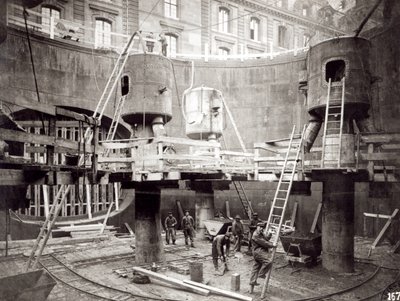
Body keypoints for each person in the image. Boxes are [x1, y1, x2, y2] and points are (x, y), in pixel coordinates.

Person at [249, 222, 275, 288]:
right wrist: (272, 245)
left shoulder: (260, 233)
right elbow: (264, 242)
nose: (261, 229)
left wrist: (270, 233)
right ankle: (261, 274)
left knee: (256, 267)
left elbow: (266, 239)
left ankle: (252, 281)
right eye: (260, 227)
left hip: (259, 251)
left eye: (262, 227)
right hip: (258, 251)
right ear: (257, 226)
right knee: (268, 261)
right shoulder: (255, 235)